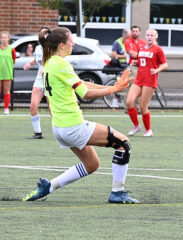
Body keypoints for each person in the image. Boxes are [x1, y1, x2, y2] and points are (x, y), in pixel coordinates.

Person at [22, 27, 138, 204]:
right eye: (70, 40)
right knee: (123, 143)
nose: (73, 43)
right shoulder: (61, 64)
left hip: (60, 128)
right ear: (62, 44)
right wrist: (113, 89)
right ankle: (117, 192)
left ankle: (49, 186)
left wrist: (112, 86)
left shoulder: (50, 63)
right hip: (73, 125)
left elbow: (80, 83)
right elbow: (85, 93)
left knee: (91, 164)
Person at [125, 29, 168, 137]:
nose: (149, 37)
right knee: (129, 102)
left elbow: (164, 64)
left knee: (143, 106)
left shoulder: (158, 49)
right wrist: (136, 62)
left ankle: (148, 130)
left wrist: (156, 70)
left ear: (155, 37)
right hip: (139, 79)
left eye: (151, 35)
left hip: (150, 80)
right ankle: (136, 126)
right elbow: (143, 61)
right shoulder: (141, 47)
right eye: (148, 35)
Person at [23, 26, 49, 139]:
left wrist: (45, 68)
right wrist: (30, 64)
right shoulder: (38, 48)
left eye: (46, 33)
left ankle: (64, 131)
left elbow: (54, 61)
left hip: (50, 78)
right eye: (42, 33)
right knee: (33, 106)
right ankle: (38, 133)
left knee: (52, 109)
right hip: (39, 79)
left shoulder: (52, 47)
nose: (44, 35)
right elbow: (37, 60)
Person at [0, 31, 16, 115]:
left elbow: (14, 60)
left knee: (6, 91)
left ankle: (6, 108)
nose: (4, 39)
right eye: (2, 37)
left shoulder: (11, 49)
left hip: (7, 73)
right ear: (0, 39)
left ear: (8, 39)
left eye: (5, 37)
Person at [124, 26, 146, 110]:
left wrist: (139, 56)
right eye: (133, 31)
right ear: (131, 32)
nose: (135, 33)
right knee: (131, 86)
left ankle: (138, 108)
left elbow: (146, 54)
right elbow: (132, 54)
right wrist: (141, 55)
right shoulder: (127, 41)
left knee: (141, 87)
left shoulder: (143, 42)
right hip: (133, 67)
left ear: (139, 32)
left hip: (141, 67)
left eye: (137, 31)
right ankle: (128, 108)